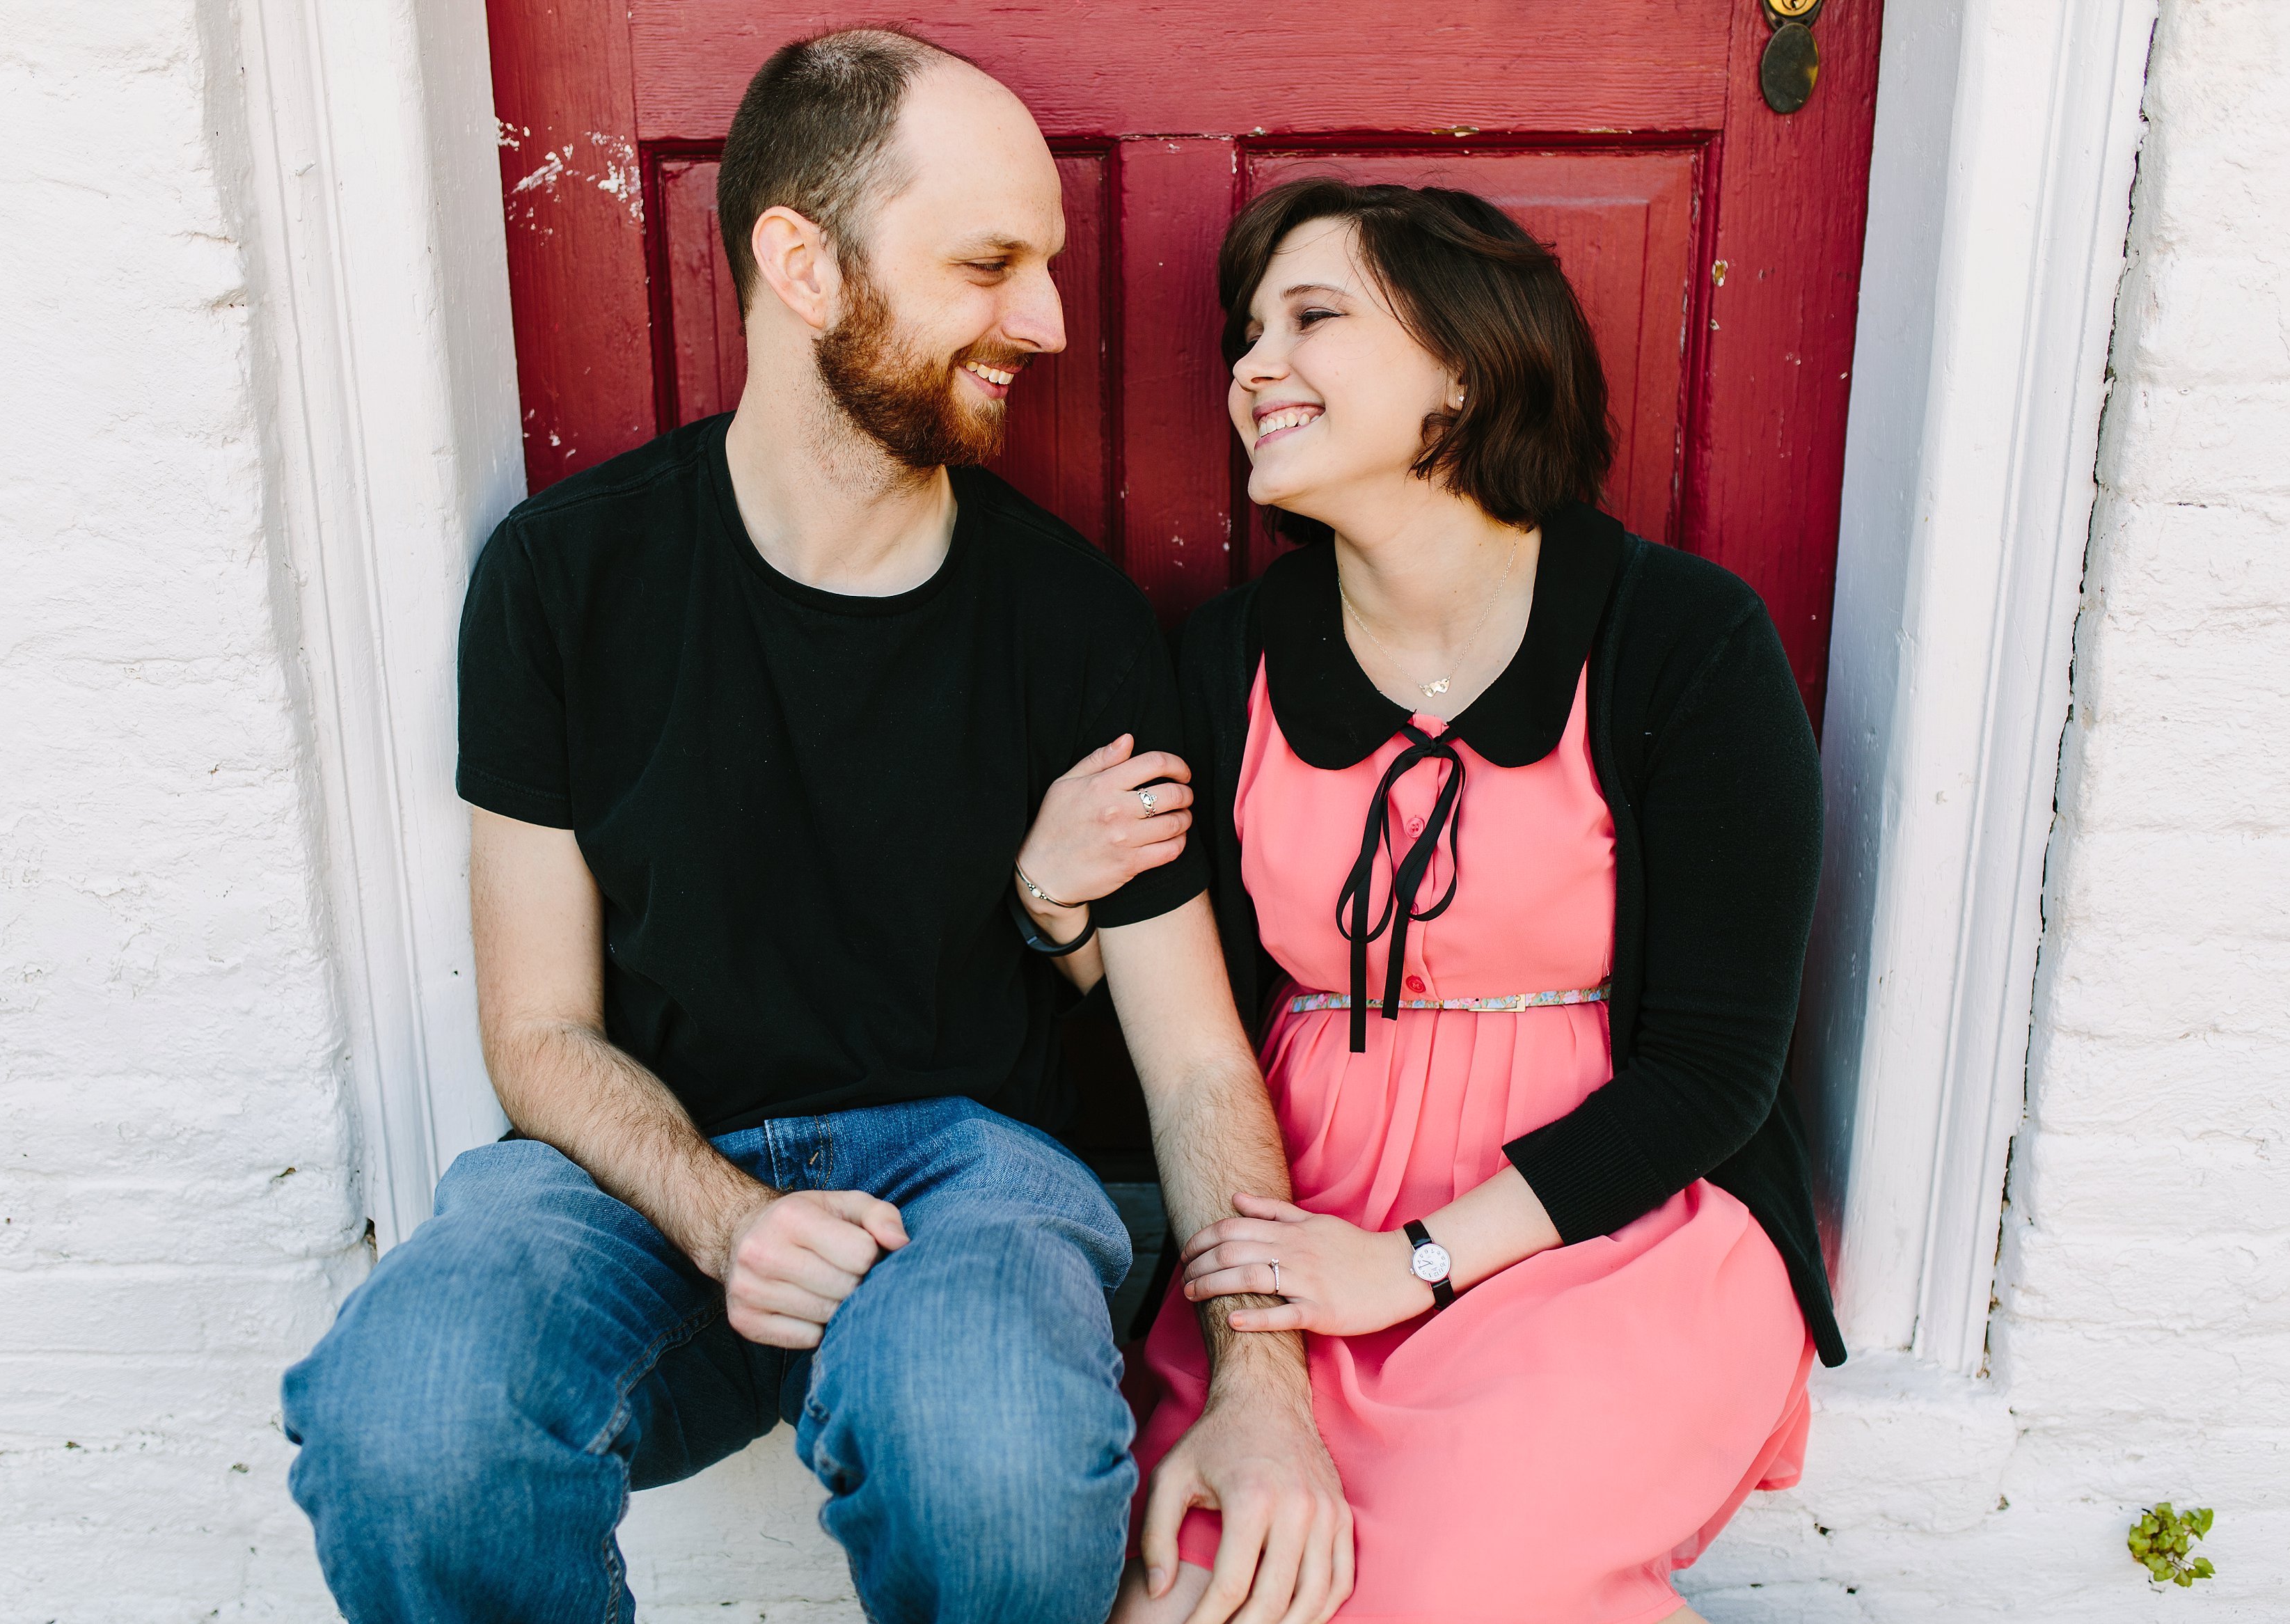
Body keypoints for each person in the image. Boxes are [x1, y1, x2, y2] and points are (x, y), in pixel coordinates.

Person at [278, 32, 1352, 1624]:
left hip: (966, 1181)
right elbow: (539, 1031)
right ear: (800, 262)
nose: (1045, 322)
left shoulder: (1073, 623)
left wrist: (1266, 1382)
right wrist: (727, 1218)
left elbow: (1194, 1060)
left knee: (995, 1467)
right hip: (636, 1183)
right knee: (412, 1422)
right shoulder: (563, 584)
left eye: (1043, 266)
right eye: (989, 264)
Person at [1093, 178, 1846, 1623]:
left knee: (1441, 1588)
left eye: (1311, 319)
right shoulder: (1227, 661)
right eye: (1247, 333)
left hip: (1613, 1225)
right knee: (1203, 1587)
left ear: (1465, 365)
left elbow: (1715, 1072)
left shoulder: (1679, 639)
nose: (1254, 368)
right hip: (1303, 1208)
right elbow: (1167, 1022)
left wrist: (1415, 1264)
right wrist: (1048, 897)